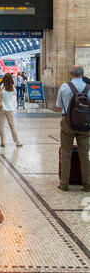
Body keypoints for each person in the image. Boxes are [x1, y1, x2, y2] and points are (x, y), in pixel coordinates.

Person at [56, 64, 90, 192]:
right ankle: (87, 184)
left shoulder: (65, 87)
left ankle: (64, 184)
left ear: (71, 73)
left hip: (67, 123)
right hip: (85, 125)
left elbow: (59, 105)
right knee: (84, 154)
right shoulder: (89, 88)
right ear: (83, 73)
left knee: (66, 153)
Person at [0, 73, 22, 148]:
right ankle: (17, 142)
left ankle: (3, 142)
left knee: (1, 126)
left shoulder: (0, 87)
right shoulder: (12, 87)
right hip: (9, 109)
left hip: (0, 109)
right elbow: (14, 94)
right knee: (12, 125)